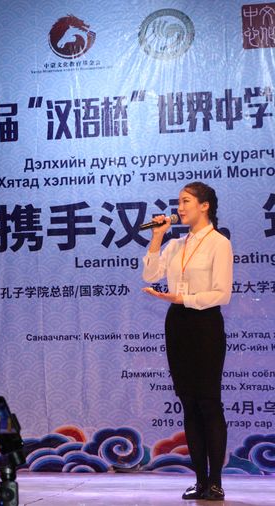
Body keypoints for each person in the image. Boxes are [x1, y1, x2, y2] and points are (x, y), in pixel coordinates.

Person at [141, 182, 232, 501]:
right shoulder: (175, 244)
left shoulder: (219, 243)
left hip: (205, 324)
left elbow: (222, 293)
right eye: (179, 202)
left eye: (186, 201)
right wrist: (157, 236)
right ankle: (200, 480)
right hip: (178, 324)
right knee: (189, 403)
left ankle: (216, 482)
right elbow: (150, 275)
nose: (179, 208)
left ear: (204, 206)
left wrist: (183, 298)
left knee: (209, 402)